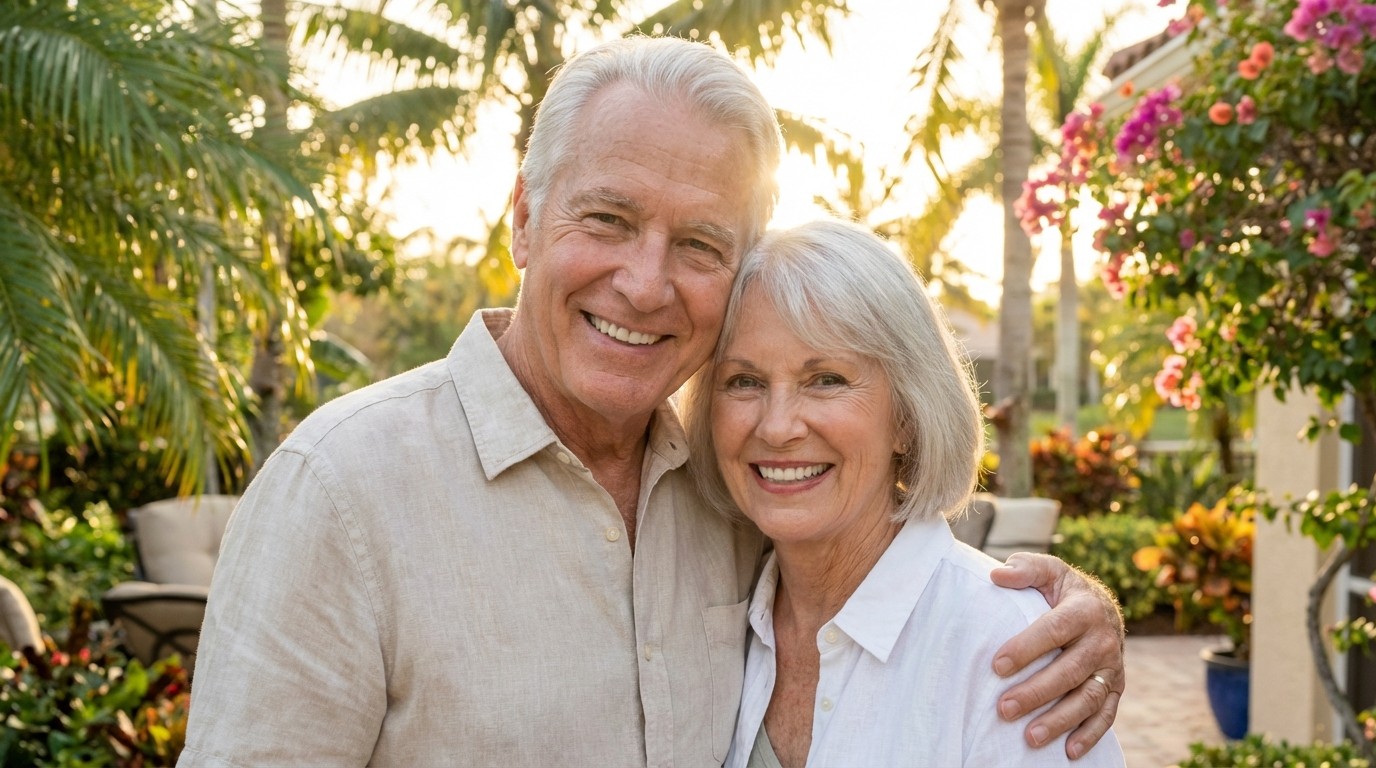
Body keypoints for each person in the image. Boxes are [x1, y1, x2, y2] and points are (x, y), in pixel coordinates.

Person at [180, 36, 1124, 766]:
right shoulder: (340, 491)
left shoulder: (737, 496)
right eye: (608, 219)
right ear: (523, 218)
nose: (643, 283)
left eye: (701, 246)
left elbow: (897, 585)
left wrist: (1074, 610)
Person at [682, 218, 1126, 767]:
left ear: (907, 419)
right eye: (744, 381)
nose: (776, 427)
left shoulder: (1009, 646)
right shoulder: (722, 609)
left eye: (826, 380)